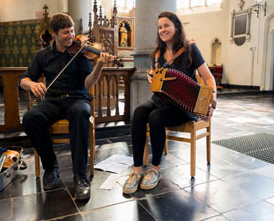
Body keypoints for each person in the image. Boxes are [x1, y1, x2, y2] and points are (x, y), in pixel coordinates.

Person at [20, 13, 114, 200]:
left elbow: (87, 84)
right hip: (52, 100)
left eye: (72, 31)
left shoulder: (81, 54)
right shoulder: (43, 55)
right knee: (30, 118)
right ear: (54, 34)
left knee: (80, 113)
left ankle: (80, 176)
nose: (71, 36)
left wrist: (99, 66)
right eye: (65, 33)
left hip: (77, 99)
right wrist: (32, 84)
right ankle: (50, 166)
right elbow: (24, 79)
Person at [122, 11, 217, 194]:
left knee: (156, 117)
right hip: (160, 100)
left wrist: (212, 98)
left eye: (166, 25)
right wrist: (152, 77)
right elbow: (154, 74)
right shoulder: (158, 53)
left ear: (176, 27)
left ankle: (155, 169)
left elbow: (209, 78)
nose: (162, 30)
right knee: (140, 112)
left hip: (183, 107)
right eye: (159, 27)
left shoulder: (191, 49)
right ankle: (137, 171)